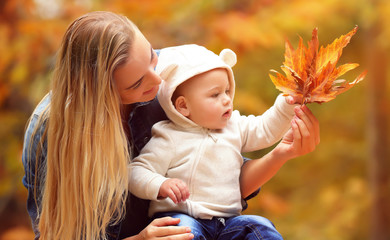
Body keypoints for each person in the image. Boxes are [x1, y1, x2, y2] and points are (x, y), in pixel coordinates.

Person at [21, 11, 319, 240]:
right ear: (101, 96)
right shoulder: (51, 133)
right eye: (137, 84)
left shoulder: (180, 77)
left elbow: (224, 177)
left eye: (152, 58)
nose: (159, 80)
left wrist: (282, 153)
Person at [129, 44, 320, 239]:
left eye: (227, 91)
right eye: (215, 94)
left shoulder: (234, 126)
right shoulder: (169, 136)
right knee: (183, 234)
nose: (227, 99)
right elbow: (136, 171)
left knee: (259, 227)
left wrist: (286, 105)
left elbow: (265, 129)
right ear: (183, 106)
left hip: (227, 222)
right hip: (184, 217)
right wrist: (160, 184)